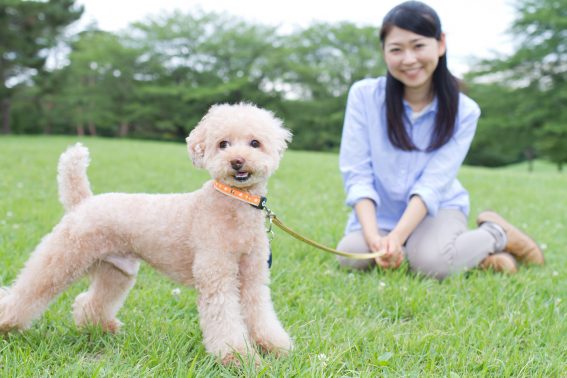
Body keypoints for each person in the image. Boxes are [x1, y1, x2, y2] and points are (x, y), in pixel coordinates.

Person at [337, 1, 544, 279]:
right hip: (383, 212)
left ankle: (496, 234)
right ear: (384, 52)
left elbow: (432, 184)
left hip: (437, 208)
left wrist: (397, 237)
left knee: (430, 265)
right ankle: (478, 258)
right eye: (396, 49)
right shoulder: (363, 96)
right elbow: (357, 173)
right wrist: (376, 237)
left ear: (441, 43)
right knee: (351, 257)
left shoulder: (465, 111)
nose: (408, 59)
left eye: (418, 45)